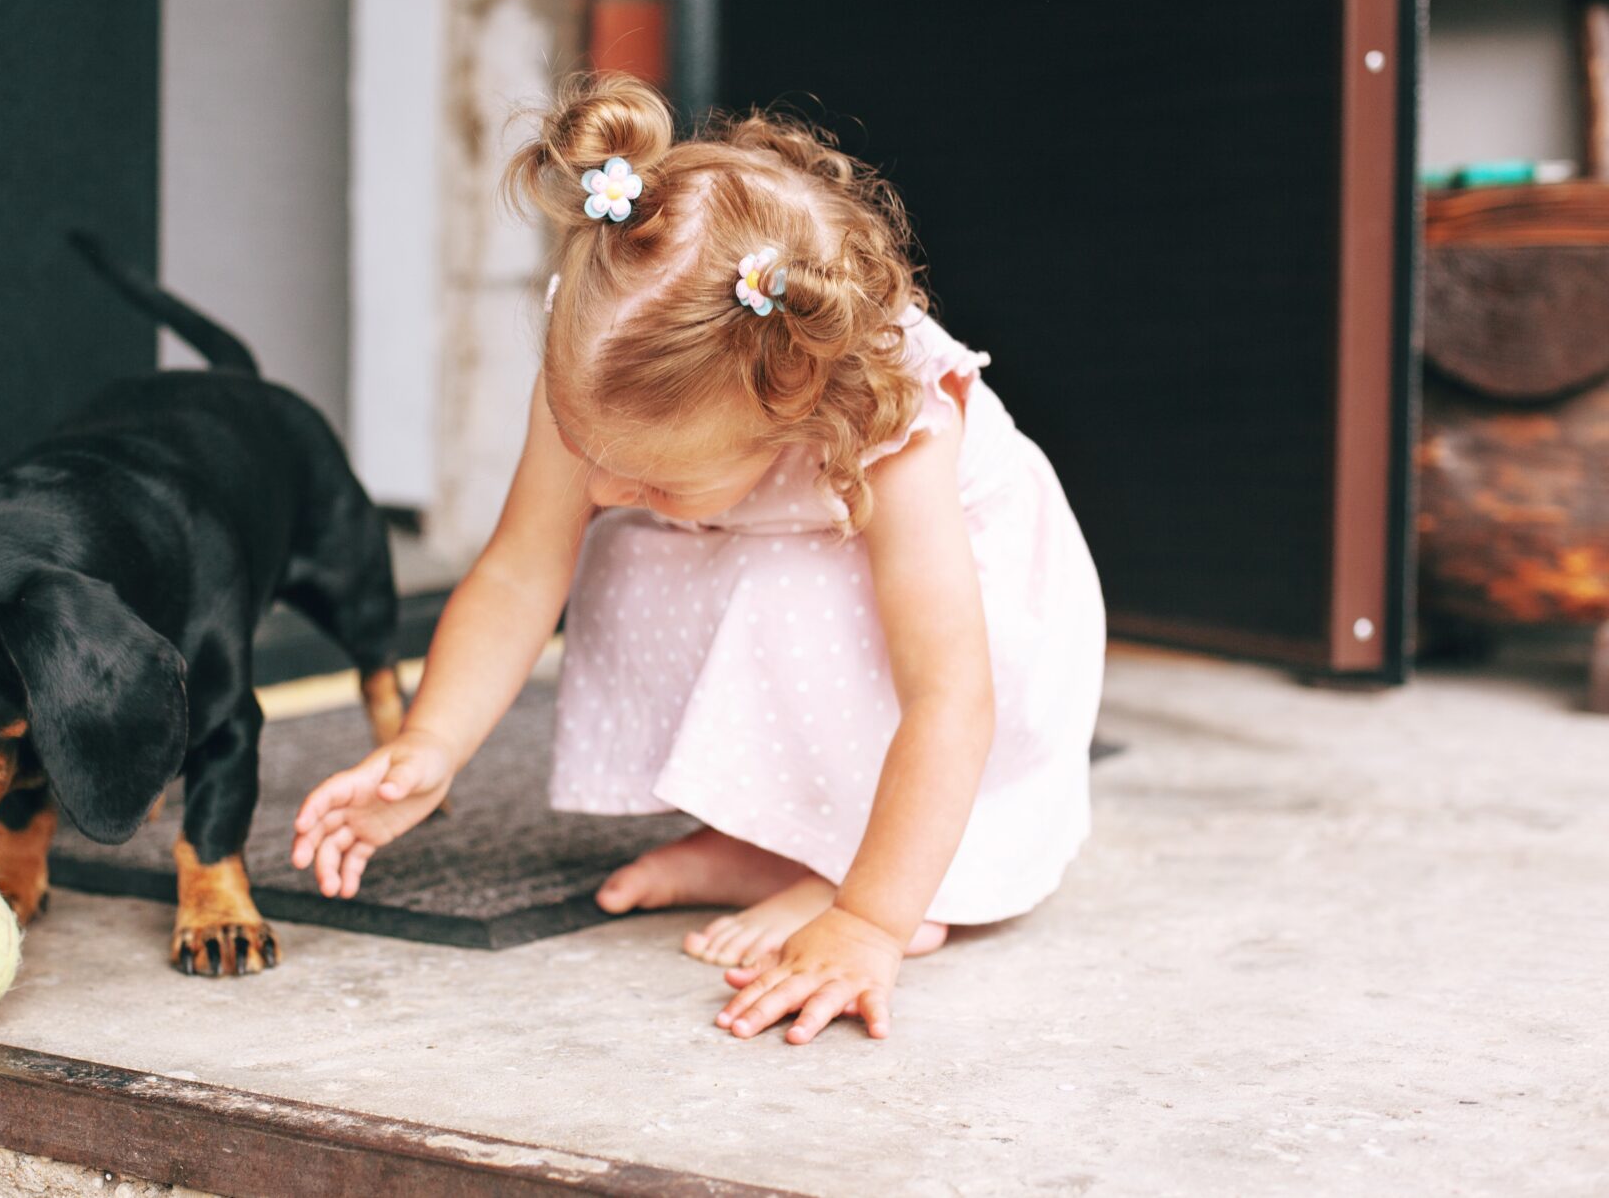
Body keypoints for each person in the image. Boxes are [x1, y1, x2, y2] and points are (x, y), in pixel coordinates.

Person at [293, 74, 1105, 1044]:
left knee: (798, 595)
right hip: (785, 570)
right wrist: (430, 747)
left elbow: (948, 698)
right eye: (593, 459)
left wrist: (867, 924)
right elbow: (518, 571)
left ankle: (867, 875)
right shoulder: (611, 356)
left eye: (650, 476)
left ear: (792, 395)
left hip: (966, 642)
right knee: (638, 561)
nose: (598, 489)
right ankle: (765, 840)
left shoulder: (897, 425)